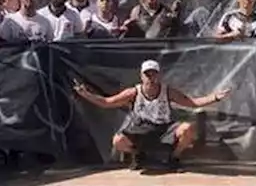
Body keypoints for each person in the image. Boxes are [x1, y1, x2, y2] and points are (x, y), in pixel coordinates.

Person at [72, 59, 229, 169]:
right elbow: (107, 103)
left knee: (188, 129)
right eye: (147, 74)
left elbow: (192, 103)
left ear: (159, 75)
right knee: (118, 141)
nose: (150, 78)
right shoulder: (133, 92)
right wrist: (85, 94)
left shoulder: (168, 91)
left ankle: (174, 157)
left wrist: (215, 97)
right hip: (140, 129)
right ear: (141, 76)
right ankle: (138, 154)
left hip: (164, 128)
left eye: (153, 74)